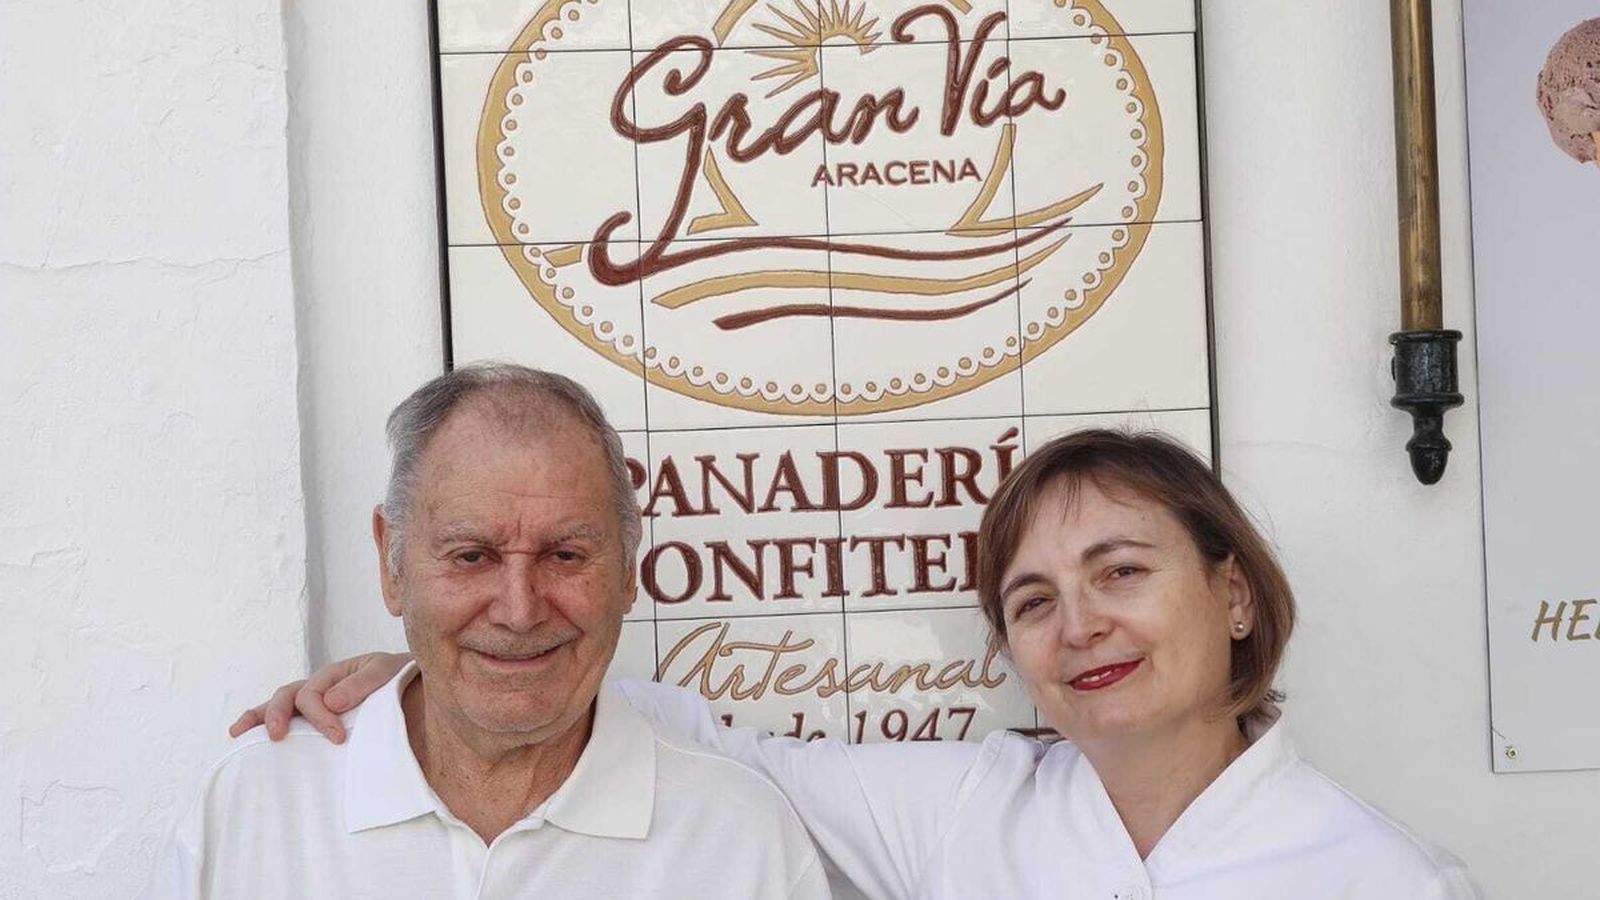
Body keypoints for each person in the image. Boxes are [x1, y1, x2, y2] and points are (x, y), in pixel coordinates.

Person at [237, 429, 1479, 899]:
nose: (1079, 626)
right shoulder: (966, 810)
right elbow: (710, 744)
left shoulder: (1382, 879)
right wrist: (432, 668)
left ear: (1235, 589)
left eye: (1120, 572)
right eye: (1031, 599)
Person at [151, 364, 828, 899]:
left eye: (565, 555)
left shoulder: (741, 840)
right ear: (393, 563)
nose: (519, 609)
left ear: (627, 570)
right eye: (471, 555)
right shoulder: (252, 808)